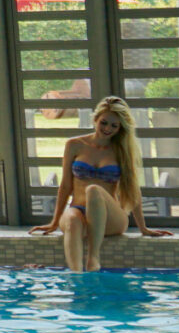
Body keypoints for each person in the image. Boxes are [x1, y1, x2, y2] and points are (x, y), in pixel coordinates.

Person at [31, 95, 170, 272]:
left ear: (120, 128)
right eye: (104, 122)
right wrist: (54, 222)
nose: (107, 129)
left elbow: (132, 189)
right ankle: (77, 279)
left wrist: (143, 227)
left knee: (93, 190)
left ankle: (93, 258)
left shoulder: (122, 151)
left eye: (114, 125)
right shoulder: (74, 145)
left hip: (110, 218)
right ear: (95, 119)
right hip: (78, 210)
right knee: (72, 220)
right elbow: (65, 186)